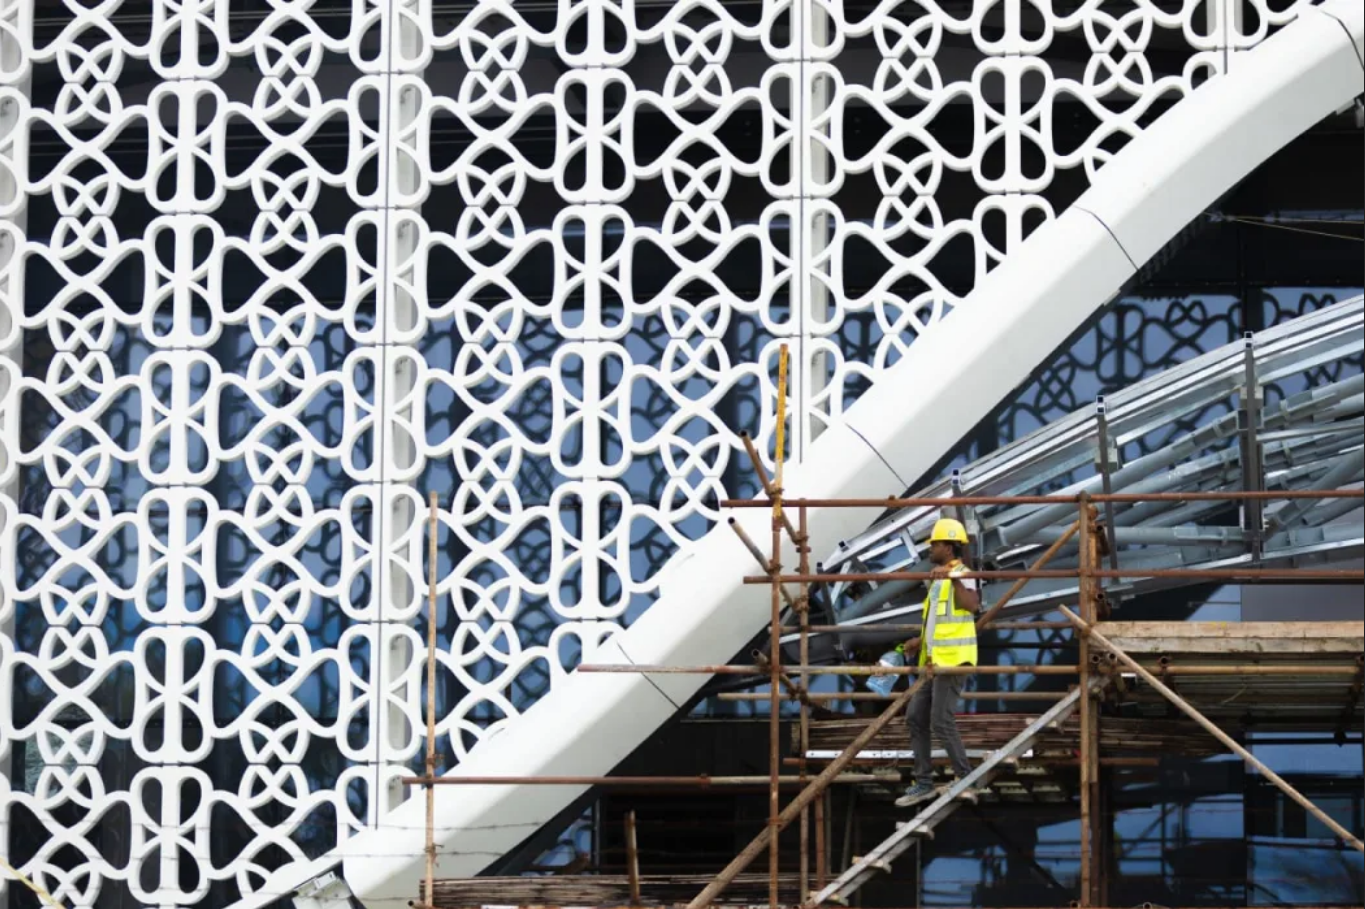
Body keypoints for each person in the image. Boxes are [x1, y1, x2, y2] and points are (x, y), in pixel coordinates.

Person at [894, 517, 981, 808]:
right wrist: (919, 641)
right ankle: (924, 783)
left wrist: (952, 578)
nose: (930, 549)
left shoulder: (964, 574)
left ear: (948, 547)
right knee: (915, 717)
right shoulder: (936, 580)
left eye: (934, 544)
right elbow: (937, 620)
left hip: (954, 661)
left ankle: (965, 778)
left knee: (941, 720)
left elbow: (972, 606)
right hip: (933, 661)